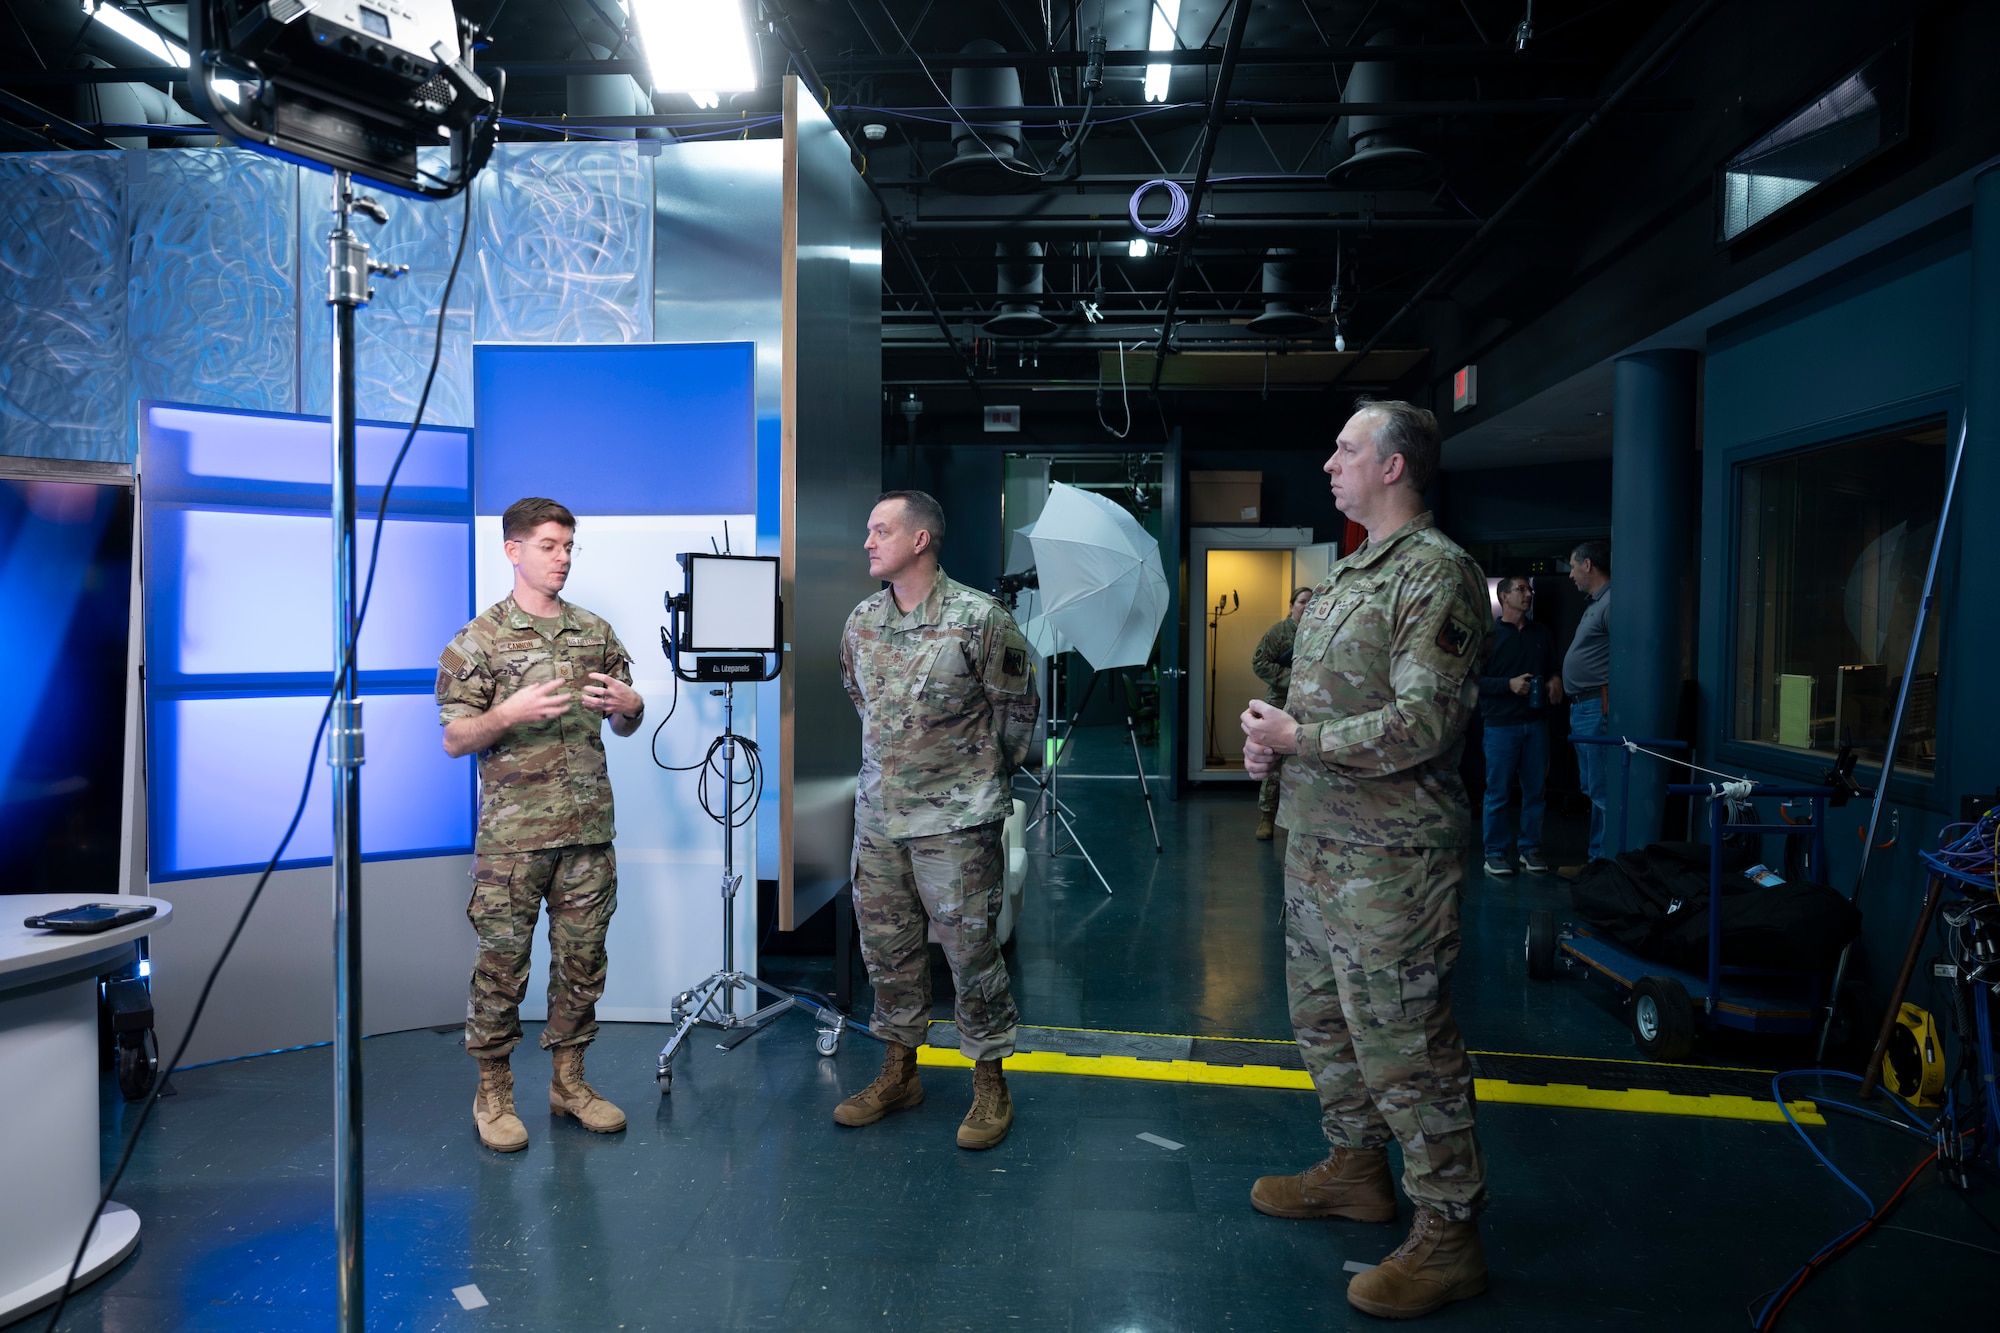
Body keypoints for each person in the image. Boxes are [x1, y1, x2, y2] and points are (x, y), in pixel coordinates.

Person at [1239, 399, 1491, 1320]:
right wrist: (1273, 746)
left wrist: (1303, 735)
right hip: (1318, 850)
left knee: (1407, 1046)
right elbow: (1314, 708)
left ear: (1394, 467)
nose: (1330, 462)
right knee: (1327, 1027)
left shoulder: (1438, 576)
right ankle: (1355, 1170)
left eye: (1347, 448)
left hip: (1393, 864)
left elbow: (1428, 724)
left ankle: (1449, 1234)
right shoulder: (1348, 576)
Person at [436, 497, 645, 1153]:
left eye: (567, 546)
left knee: (582, 964)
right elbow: (454, 738)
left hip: (588, 834)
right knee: (502, 969)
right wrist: (508, 713)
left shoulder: (594, 632)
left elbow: (626, 719)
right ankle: (493, 1092)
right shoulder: (478, 640)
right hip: (514, 843)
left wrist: (632, 704)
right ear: (513, 550)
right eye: (549, 545)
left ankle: (569, 1082)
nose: (561, 557)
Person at [835, 489, 1040, 1150]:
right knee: (887, 953)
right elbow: (858, 697)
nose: (868, 541)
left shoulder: (981, 619)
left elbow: (1017, 716)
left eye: (880, 530)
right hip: (879, 821)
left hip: (956, 824)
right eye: (868, 531)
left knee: (971, 953)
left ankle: (990, 1081)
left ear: (920, 539)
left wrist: (974, 783)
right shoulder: (861, 621)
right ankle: (899, 1071)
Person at [1476, 575, 1560, 876]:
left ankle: (1530, 849)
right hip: (1500, 725)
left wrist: (1554, 680)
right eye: (1521, 589)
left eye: (1529, 589)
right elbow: (1472, 680)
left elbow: (1552, 668)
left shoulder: (1542, 633)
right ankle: (1495, 853)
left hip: (1537, 723)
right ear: (1504, 596)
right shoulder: (1489, 636)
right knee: (1497, 792)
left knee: (1535, 791)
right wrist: (1507, 685)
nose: (1528, 594)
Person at [1560, 539, 1612, 868]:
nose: (1570, 574)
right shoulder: (1596, 603)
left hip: (1596, 707)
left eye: (1572, 566)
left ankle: (1601, 867)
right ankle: (1596, 862)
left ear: (1588, 565)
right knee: (1592, 788)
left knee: (1602, 791)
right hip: (1583, 707)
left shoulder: (1612, 603)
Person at [1250, 586, 1314, 841]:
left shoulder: (1321, 631)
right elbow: (1259, 663)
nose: (1307, 606)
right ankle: (1267, 817)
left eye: (1312, 602)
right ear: (1291, 605)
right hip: (1279, 702)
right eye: (1302, 602)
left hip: (1309, 703)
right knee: (1273, 761)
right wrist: (1293, 678)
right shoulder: (1279, 632)